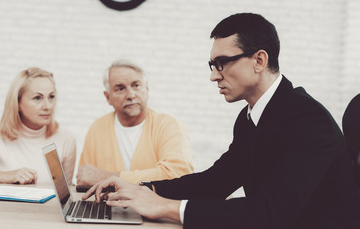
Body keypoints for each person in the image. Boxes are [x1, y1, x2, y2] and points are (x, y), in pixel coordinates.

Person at [83, 13, 360, 229]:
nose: (214, 76)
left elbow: (271, 215)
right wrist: (144, 190)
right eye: (212, 66)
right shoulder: (250, 116)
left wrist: (165, 207)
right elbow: (216, 181)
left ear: (259, 60)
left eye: (222, 63)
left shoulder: (306, 120)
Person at [76, 60, 193, 186]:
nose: (131, 95)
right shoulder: (97, 129)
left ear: (146, 88)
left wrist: (110, 178)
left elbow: (178, 175)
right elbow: (85, 179)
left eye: (136, 85)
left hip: (154, 205)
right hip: (107, 205)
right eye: (120, 88)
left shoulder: (169, 125)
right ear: (108, 97)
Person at [0, 67, 76, 185]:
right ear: (17, 102)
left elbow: (66, 196)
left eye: (51, 97)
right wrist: (5, 176)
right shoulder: (2, 138)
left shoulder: (65, 139)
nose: (48, 106)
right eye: (37, 98)